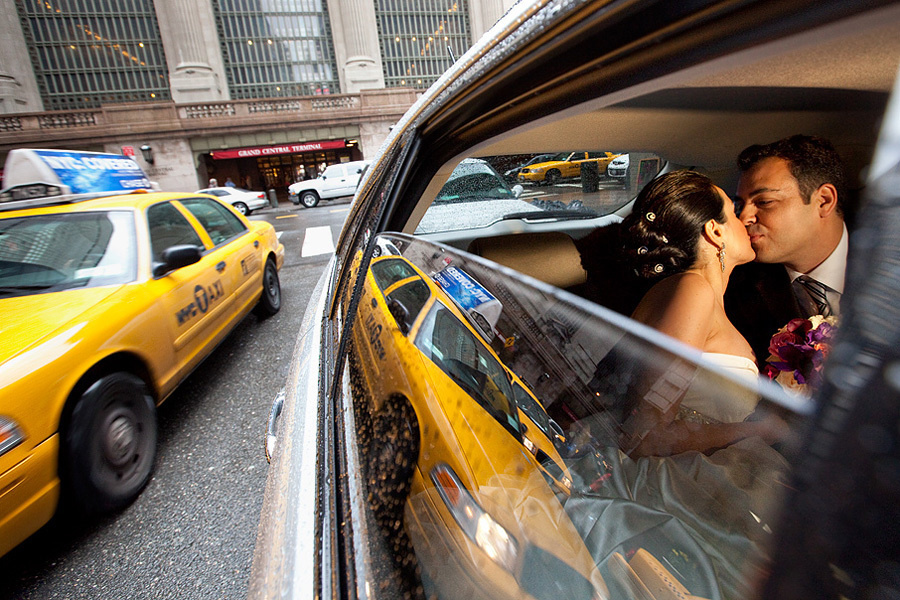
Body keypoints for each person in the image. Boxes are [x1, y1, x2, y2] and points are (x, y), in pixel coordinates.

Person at [610, 170, 788, 456]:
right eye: (734, 211)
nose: (745, 221)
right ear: (715, 232)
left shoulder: (697, 293)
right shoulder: (693, 291)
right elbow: (647, 436)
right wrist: (758, 430)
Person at [725, 135, 848, 364]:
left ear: (823, 201)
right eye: (740, 206)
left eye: (764, 202)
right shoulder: (737, 291)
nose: (743, 218)